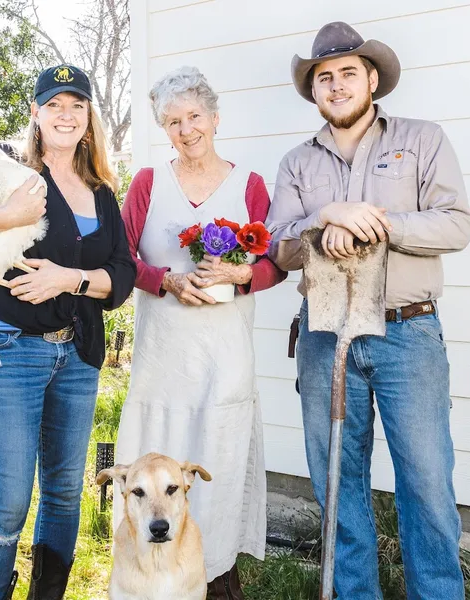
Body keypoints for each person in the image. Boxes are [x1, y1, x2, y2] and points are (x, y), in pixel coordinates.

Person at [266, 22, 470, 600]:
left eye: (347, 73)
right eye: (324, 77)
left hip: (407, 332)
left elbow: (456, 224)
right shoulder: (296, 164)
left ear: (372, 79)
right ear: (313, 90)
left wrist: (376, 224)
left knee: (427, 481)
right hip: (323, 333)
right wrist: (323, 217)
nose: (335, 85)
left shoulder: (422, 139)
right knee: (336, 479)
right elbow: (279, 248)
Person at [0, 64, 136, 600]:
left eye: (77, 105)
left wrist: (74, 280)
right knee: (10, 499)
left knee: (64, 494)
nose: (66, 114)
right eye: (54, 104)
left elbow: (123, 275)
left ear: (89, 119)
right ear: (35, 114)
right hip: (7, 346)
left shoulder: (101, 194)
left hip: (77, 355)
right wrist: (8, 215)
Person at [115, 66, 286, 599]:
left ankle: (217, 578)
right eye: (172, 121)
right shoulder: (148, 182)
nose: (185, 129)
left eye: (193, 117)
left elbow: (275, 264)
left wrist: (240, 275)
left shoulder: (250, 186)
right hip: (164, 357)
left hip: (223, 357)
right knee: (157, 466)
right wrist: (164, 280)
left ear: (215, 118)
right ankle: (147, 576)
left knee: (221, 459)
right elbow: (120, 261)